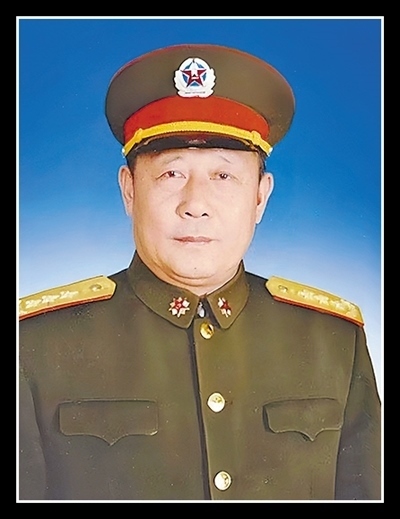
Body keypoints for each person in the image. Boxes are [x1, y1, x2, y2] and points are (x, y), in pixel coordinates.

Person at [18, 43, 381, 501]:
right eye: (171, 175)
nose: (195, 206)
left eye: (223, 177)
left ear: (260, 197)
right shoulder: (36, 343)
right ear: (129, 190)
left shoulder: (333, 340)